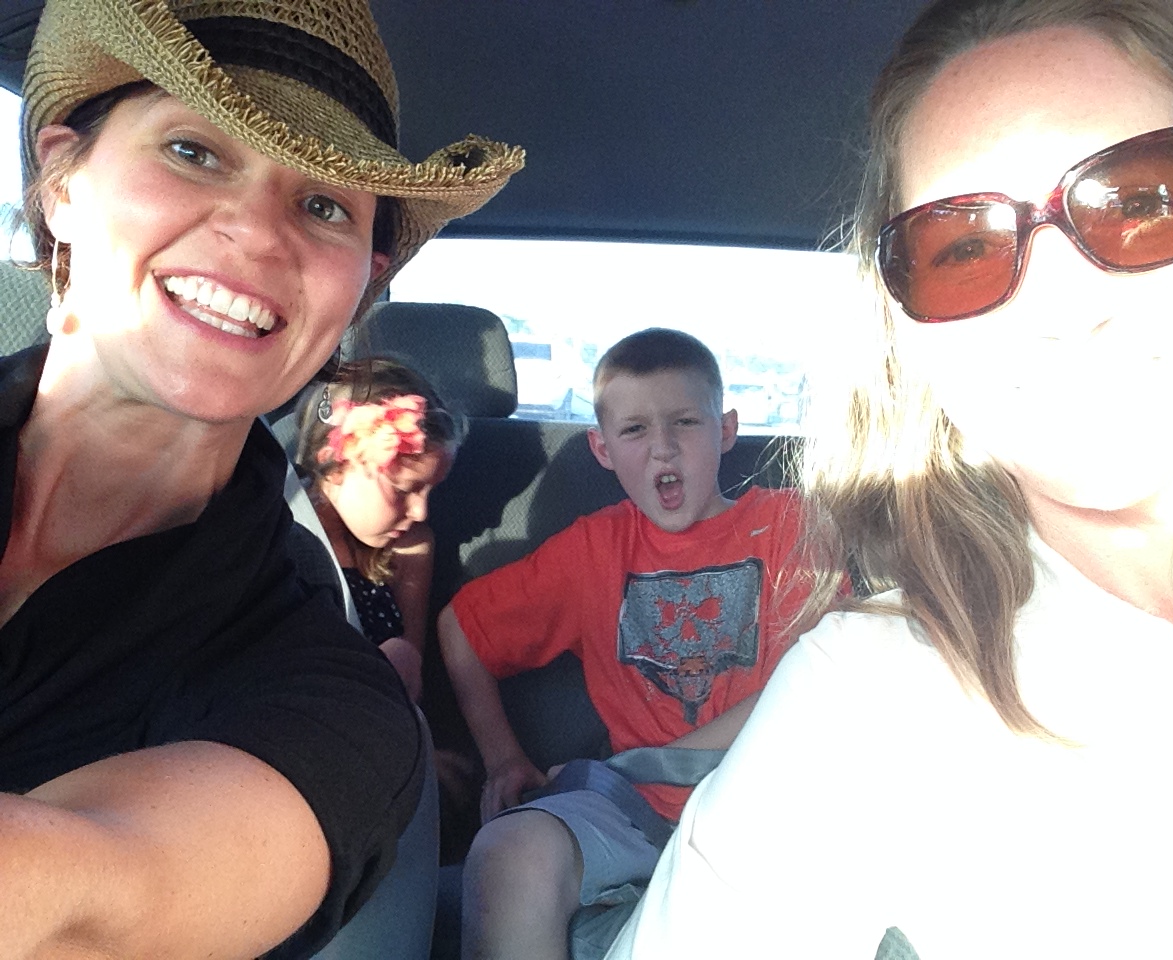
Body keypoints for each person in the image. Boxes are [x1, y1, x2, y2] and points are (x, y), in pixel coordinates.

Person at [607, 1, 1173, 958]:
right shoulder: (863, 696)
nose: (1062, 306)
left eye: (1141, 202)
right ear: (908, 340)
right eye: (962, 251)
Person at [1, 0, 522, 956]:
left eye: (323, 205)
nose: (258, 233)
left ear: (361, 286)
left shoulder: (329, 695)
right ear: (62, 179)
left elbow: (86, 894)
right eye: (193, 151)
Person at [437, 327, 814, 960]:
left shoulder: (788, 526)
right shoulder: (594, 549)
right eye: (635, 430)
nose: (663, 447)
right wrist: (503, 758)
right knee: (507, 854)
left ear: (726, 430)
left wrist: (661, 760)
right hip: (631, 811)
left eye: (685, 423)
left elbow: (811, 678)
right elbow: (461, 628)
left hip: (771, 807)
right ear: (602, 448)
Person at [295, 356, 462, 703]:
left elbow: (410, 686)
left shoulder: (410, 548)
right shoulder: (282, 540)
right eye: (403, 490)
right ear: (336, 468)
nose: (421, 512)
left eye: (430, 491)